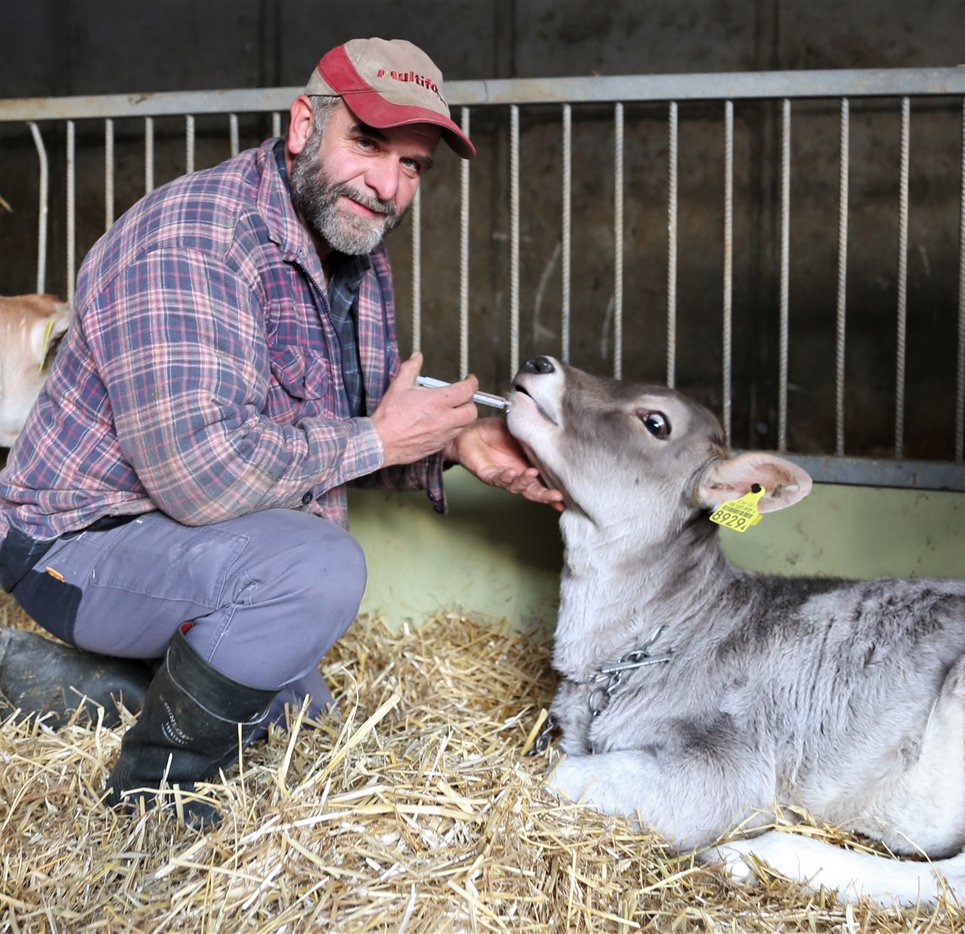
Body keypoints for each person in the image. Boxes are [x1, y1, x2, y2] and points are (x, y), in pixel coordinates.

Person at [0, 37, 562, 826]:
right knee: (313, 573)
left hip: (179, 535)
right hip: (78, 541)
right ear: (304, 125)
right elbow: (202, 477)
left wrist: (455, 442)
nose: (388, 185)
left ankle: (80, 687)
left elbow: (336, 429)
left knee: (299, 723)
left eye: (413, 166)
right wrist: (384, 437)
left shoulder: (347, 244)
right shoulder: (193, 241)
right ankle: (155, 797)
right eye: (367, 143)